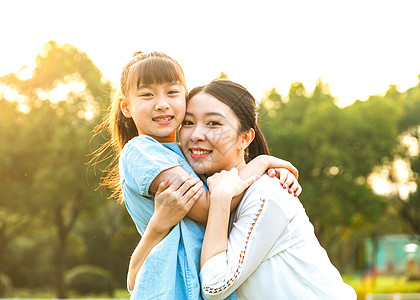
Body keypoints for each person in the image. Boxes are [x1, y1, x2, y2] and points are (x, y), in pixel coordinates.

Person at [91, 51, 301, 299]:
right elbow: (208, 207)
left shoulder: (183, 154)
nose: (162, 103)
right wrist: (261, 163)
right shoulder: (142, 151)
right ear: (126, 106)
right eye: (147, 95)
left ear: (184, 97)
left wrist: (265, 172)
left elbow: (225, 182)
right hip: (172, 289)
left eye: (172, 92)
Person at [151, 79, 357, 299]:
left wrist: (221, 197)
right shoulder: (204, 198)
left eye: (213, 123)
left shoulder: (266, 193)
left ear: (245, 138)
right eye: (188, 123)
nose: (196, 135)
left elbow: (214, 288)